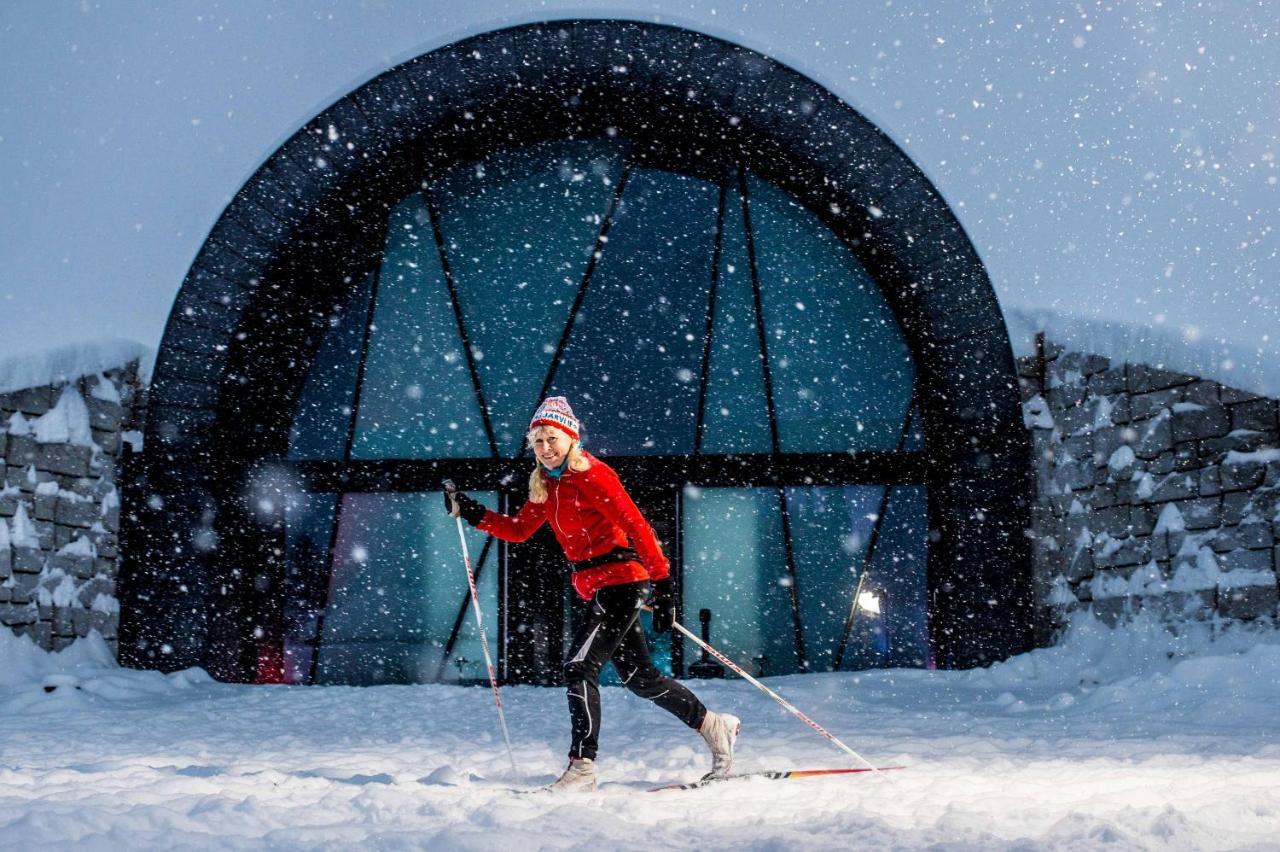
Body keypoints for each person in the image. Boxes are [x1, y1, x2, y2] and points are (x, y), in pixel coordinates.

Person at [443, 396, 740, 792]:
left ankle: (582, 767)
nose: (545, 448)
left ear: (571, 438)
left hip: (622, 582)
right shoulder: (544, 485)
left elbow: (637, 526)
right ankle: (714, 724)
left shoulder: (595, 476)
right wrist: (471, 511)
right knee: (641, 678)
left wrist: (665, 586)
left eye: (552, 438)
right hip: (598, 586)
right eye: (538, 442)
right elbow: (517, 530)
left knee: (579, 667)